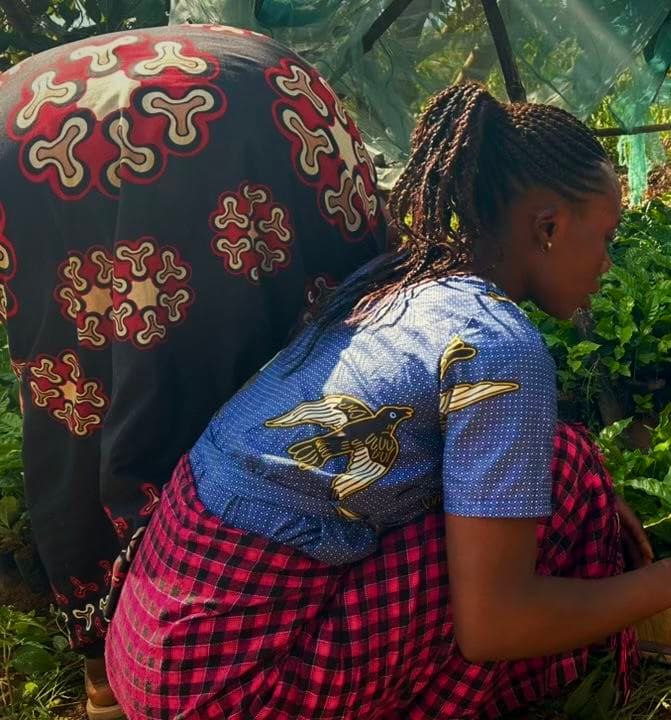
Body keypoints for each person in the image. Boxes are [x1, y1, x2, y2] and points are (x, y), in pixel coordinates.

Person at [104, 81, 671, 719]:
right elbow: (493, 625)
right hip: (229, 689)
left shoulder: (398, 285)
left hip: (151, 645)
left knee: (560, 464)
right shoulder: (498, 344)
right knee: (543, 510)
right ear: (547, 227)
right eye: (604, 237)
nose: (608, 262)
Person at [0, 25, 384, 719]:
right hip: (214, 121)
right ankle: (179, 622)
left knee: (65, 388)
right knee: (215, 372)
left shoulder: (288, 84)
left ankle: (101, 663)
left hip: (25, 121)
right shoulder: (380, 265)